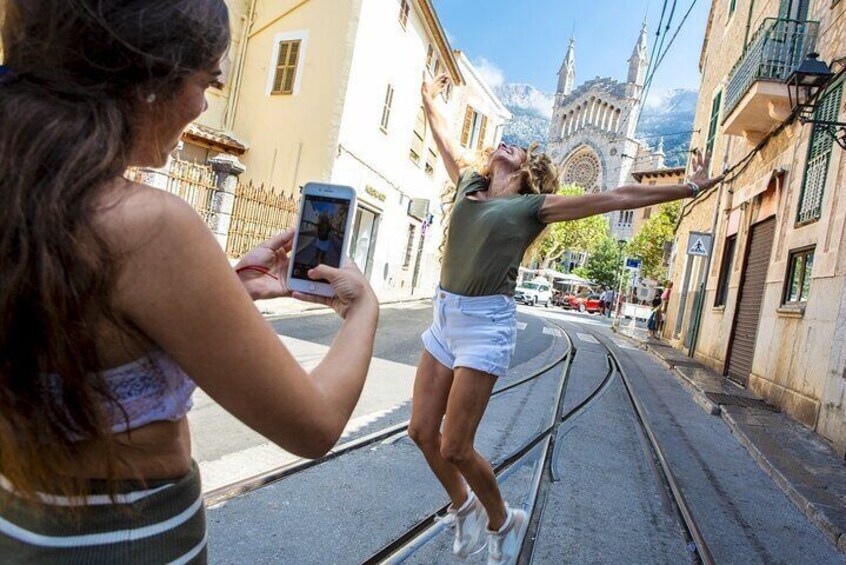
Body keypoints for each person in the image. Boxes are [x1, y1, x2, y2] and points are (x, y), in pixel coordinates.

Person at [0, 2, 379, 563]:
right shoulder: (150, 225)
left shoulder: (26, 197)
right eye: (207, 81)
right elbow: (314, 424)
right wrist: (364, 307)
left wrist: (224, 289)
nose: (204, 105)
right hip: (125, 541)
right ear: (151, 79)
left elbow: (84, 321)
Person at [409, 73, 724, 565]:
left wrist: (690, 187)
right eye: (502, 144)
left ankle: (501, 520)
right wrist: (430, 100)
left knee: (455, 447)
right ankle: (464, 507)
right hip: (445, 315)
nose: (506, 144)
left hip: (485, 324)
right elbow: (447, 141)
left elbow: (616, 198)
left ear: (527, 170)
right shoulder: (470, 184)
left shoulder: (531, 207)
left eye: (516, 148)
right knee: (421, 433)